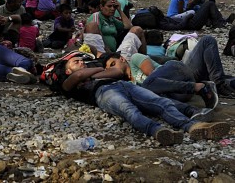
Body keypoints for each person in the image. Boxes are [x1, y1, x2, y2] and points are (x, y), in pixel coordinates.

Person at [49, 52, 230, 145]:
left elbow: (118, 71)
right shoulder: (66, 84)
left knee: (161, 102)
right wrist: (95, 72)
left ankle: (191, 126)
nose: (81, 62)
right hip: (102, 93)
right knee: (130, 111)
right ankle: (158, 132)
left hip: (124, 86)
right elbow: (79, 76)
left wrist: (94, 72)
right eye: (75, 62)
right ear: (66, 70)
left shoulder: (92, 71)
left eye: (81, 60)